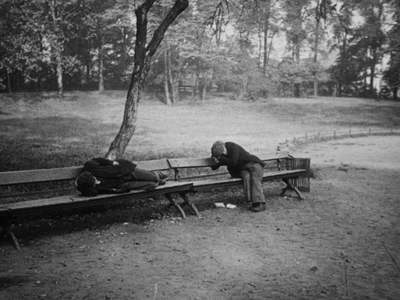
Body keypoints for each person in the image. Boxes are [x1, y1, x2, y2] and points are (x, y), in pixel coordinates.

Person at [210, 141, 266, 212]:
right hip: (242, 169)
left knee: (255, 179)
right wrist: (215, 161)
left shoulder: (232, 147)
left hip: (253, 163)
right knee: (247, 177)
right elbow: (214, 167)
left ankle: (260, 203)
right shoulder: (217, 153)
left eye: (222, 154)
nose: (223, 154)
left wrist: (221, 160)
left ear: (224, 148)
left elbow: (233, 162)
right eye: (220, 155)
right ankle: (251, 202)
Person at [75, 157, 168, 196]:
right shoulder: (87, 187)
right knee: (151, 185)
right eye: (95, 183)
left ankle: (158, 175)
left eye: (95, 179)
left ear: (91, 174)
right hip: (123, 184)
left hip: (122, 170)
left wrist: (111, 162)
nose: (98, 182)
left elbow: (98, 160)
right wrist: (113, 191)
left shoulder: (90, 166)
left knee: (151, 177)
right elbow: (93, 193)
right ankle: (157, 183)